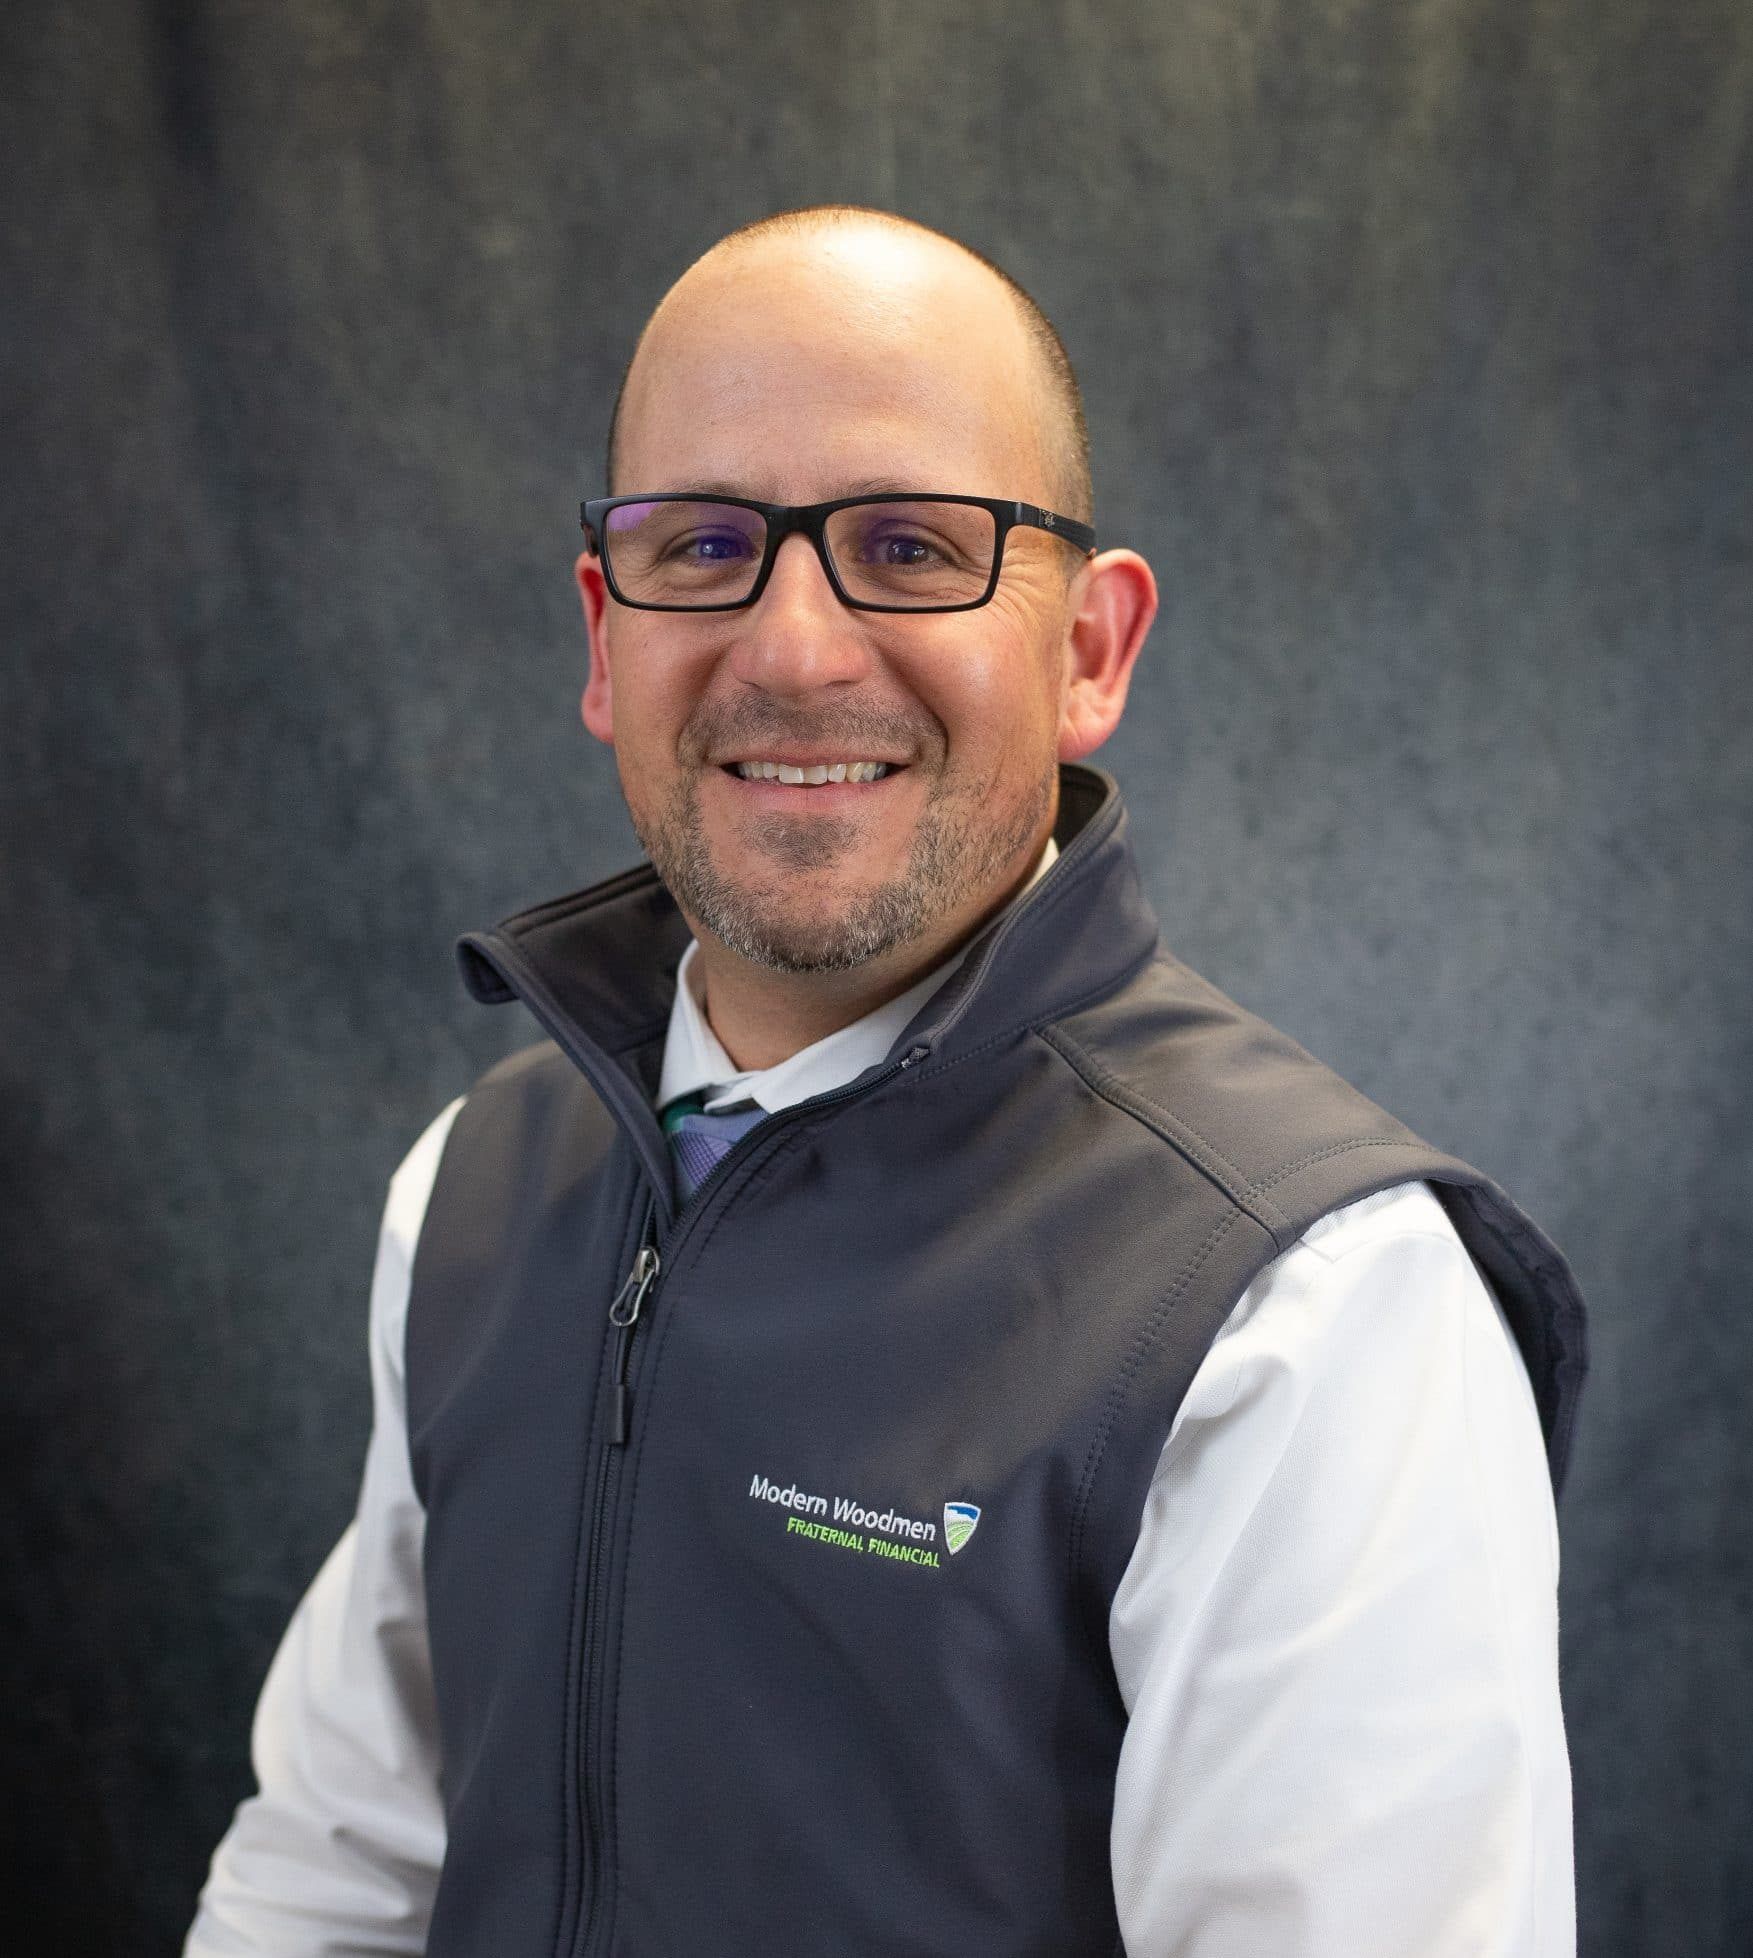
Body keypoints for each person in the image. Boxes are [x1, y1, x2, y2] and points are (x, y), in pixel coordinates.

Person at [186, 206, 1588, 1957]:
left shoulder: (1308, 1311)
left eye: (912, 546)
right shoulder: (471, 1184)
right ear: (604, 637)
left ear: (1090, 648)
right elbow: (339, 1867)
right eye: (699, 543)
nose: (790, 648)